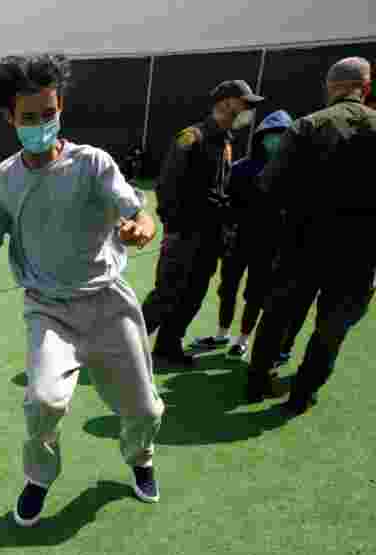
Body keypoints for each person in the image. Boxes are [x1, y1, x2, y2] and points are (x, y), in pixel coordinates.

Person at [0, 54, 164, 527]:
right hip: (48, 309)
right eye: (30, 117)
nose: (42, 124)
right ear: (10, 118)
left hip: (107, 302)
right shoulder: (0, 181)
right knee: (43, 401)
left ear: (60, 108)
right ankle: (39, 478)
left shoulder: (92, 163)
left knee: (143, 406)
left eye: (50, 113)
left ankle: (141, 459)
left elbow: (142, 213)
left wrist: (141, 227)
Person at [245, 57, 375, 414]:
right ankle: (302, 393)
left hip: (302, 243)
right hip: (360, 254)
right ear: (366, 87)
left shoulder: (308, 126)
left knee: (278, 314)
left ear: (331, 88)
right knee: (332, 328)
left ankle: (257, 381)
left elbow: (268, 186)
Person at [140, 79, 264, 368]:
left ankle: (167, 347)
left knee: (193, 296)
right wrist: (179, 228)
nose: (247, 110)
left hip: (211, 237)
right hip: (186, 235)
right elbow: (167, 187)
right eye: (244, 104)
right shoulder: (192, 137)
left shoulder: (226, 141)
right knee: (166, 295)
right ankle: (120, 348)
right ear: (225, 103)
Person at [190, 110, 295, 358]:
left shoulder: (292, 172)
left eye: (282, 136)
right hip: (238, 241)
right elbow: (226, 203)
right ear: (260, 137)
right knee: (227, 288)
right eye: (270, 135)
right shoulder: (240, 168)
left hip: (270, 246)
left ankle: (243, 339)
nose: (275, 140)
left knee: (256, 294)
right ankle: (222, 334)